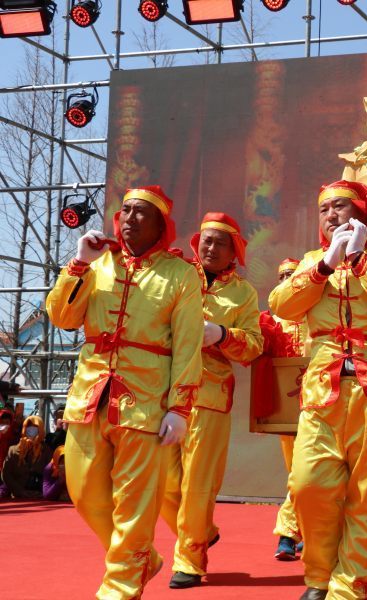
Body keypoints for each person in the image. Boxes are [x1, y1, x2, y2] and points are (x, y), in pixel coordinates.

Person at [45, 185, 204, 600]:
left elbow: (188, 344)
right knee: (82, 493)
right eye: (126, 211)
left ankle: (120, 589)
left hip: (146, 400)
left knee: (135, 504)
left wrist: (180, 408)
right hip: (89, 396)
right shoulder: (98, 265)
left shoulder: (181, 274)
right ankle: (141, 559)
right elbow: (62, 317)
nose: (130, 219)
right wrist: (79, 261)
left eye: (141, 213)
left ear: (161, 226)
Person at [269, 180, 367, 600]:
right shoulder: (313, 260)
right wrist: (325, 265)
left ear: (361, 213)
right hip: (323, 389)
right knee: (308, 484)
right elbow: (281, 305)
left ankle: (348, 585)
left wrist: (358, 259)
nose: (331, 215)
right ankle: (318, 574)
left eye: (340, 207)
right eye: (325, 210)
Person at [160, 212, 263, 589]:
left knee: (197, 485)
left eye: (221, 241)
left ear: (233, 249)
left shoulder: (243, 294)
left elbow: (253, 346)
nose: (211, 246)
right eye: (206, 239)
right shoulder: (177, 275)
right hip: (163, 393)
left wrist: (221, 334)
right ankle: (203, 529)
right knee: (162, 483)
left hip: (209, 394)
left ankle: (189, 559)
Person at [262, 257, 308, 561]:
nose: (286, 279)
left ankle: (288, 534)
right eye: (282, 275)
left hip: (320, 404)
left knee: (306, 473)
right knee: (297, 473)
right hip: (286, 408)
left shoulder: (315, 313)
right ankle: (307, 530)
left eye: (292, 275)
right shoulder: (270, 320)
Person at [0, 415, 51, 499]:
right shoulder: (13, 450)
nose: (31, 430)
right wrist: (20, 491)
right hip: (18, 497)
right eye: (28, 427)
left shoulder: (47, 451)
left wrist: (43, 491)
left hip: (39, 495)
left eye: (35, 428)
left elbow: (50, 474)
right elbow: (6, 474)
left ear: (41, 429)